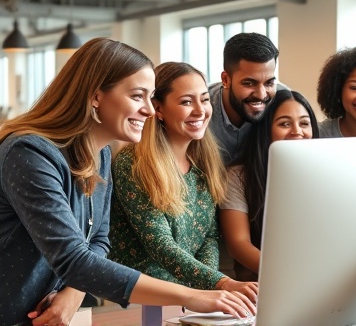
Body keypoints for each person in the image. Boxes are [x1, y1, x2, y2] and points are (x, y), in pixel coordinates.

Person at [0, 38, 255, 326]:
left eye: (151, 97)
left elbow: (97, 239)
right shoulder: (29, 153)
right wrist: (191, 295)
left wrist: (72, 291)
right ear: (96, 96)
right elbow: (73, 257)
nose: (149, 110)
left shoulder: (101, 154)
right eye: (137, 96)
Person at [108, 62, 258, 302]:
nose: (200, 111)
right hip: (141, 298)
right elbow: (161, 245)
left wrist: (209, 286)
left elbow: (209, 236)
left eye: (205, 99)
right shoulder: (134, 162)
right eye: (187, 102)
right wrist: (220, 283)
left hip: (190, 296)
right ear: (158, 109)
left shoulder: (205, 161)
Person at [219, 90, 319, 281]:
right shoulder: (238, 176)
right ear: (266, 129)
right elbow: (238, 244)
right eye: (284, 123)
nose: (297, 131)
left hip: (315, 277)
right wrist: (287, 276)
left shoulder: (324, 173)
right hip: (262, 281)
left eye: (304, 123)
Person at [208, 32, 286, 166]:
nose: (261, 95)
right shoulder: (201, 109)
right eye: (249, 83)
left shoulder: (284, 101)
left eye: (269, 83)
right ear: (226, 80)